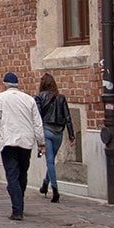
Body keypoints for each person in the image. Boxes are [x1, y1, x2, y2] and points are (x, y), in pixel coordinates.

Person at [0, 71, 45, 221]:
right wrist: (41, 143)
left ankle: (17, 209)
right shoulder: (29, 99)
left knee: (12, 175)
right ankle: (20, 202)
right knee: (22, 173)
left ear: (5, 84)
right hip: (26, 141)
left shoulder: (0, 98)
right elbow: (37, 123)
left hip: (9, 140)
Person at [35, 72, 75, 203]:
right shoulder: (61, 98)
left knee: (50, 162)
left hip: (46, 131)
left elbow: (38, 118)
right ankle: (45, 184)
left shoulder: (39, 97)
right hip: (58, 133)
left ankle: (55, 189)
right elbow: (68, 117)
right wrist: (71, 135)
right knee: (51, 161)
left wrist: (37, 136)